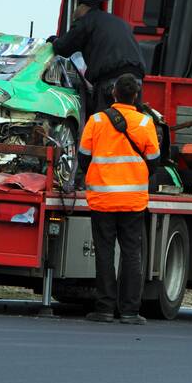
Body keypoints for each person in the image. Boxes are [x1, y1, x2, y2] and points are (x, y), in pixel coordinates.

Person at [78, 73, 160, 325]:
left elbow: (83, 158)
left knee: (104, 253)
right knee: (132, 253)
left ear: (114, 93)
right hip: (133, 201)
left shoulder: (96, 121)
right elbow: (155, 163)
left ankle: (104, 309)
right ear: (136, 95)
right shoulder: (146, 123)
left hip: (102, 199)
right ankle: (129, 311)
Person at [50, 0, 146, 111]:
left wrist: (54, 41)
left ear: (82, 8)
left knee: (106, 121)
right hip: (136, 79)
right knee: (133, 119)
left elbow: (63, 48)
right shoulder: (117, 21)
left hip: (111, 79)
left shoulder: (86, 21)